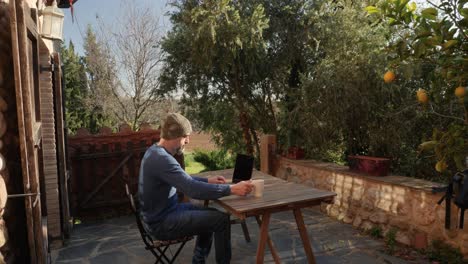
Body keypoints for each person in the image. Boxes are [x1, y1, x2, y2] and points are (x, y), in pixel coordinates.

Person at [138, 113, 254, 264]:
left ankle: (198, 261)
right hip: (161, 223)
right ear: (176, 135)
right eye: (186, 136)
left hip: (163, 214)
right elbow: (192, 190)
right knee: (221, 220)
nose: (188, 140)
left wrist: (207, 180)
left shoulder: (155, 152)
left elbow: (183, 179)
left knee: (212, 215)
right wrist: (232, 189)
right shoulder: (161, 159)